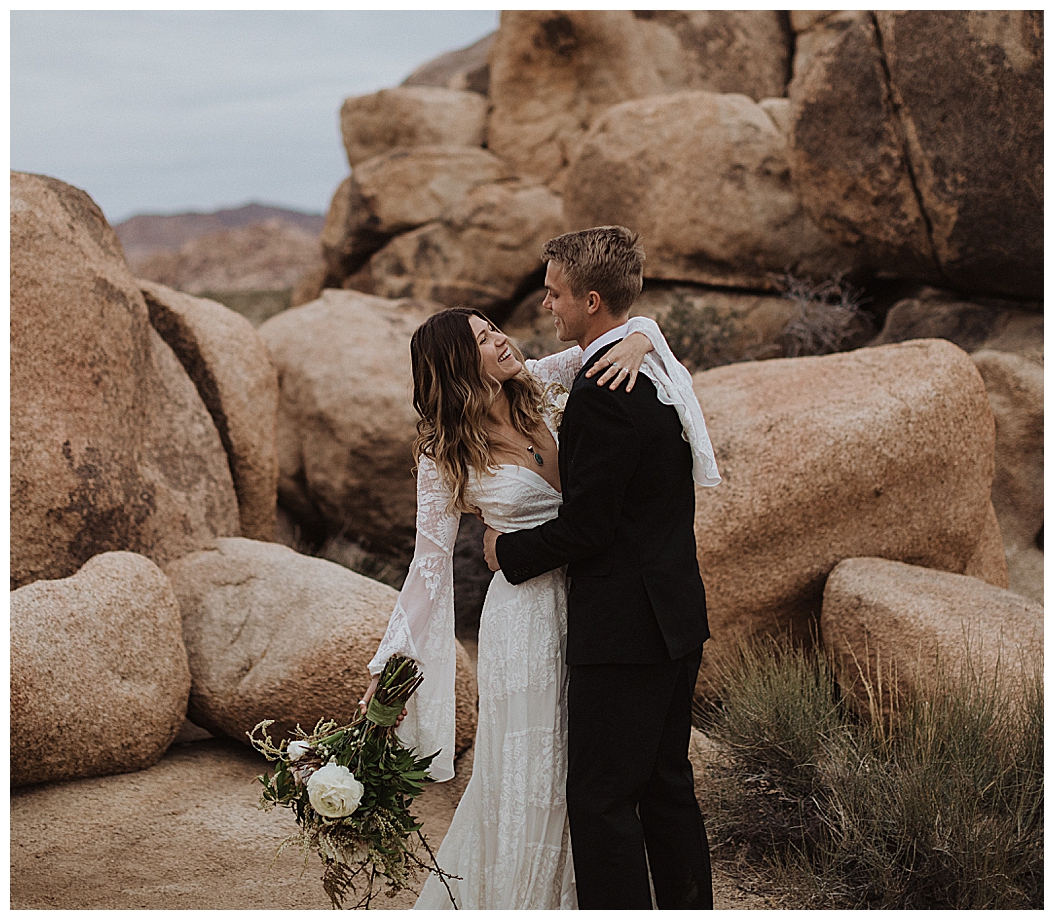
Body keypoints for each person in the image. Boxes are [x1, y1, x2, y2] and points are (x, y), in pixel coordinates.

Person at [364, 230, 718, 909]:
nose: (503, 338)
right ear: (457, 369)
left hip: (592, 608)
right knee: (539, 774)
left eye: (495, 327)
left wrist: (643, 336)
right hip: (528, 620)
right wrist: (395, 659)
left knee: (597, 785)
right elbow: (429, 570)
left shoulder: (546, 387)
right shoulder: (444, 458)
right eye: (481, 339)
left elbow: (614, 334)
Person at [483, 226, 720, 909]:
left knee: (602, 802)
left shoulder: (604, 388)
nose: (548, 308)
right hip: (673, 615)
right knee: (667, 788)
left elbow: (589, 528)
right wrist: (643, 331)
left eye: (556, 295)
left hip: (624, 632)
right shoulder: (652, 368)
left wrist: (507, 554)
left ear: (591, 300)